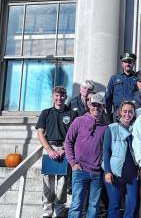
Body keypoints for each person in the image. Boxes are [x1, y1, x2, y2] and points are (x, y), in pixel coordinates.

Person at [36, 86, 77, 218]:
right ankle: (47, 213)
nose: (59, 98)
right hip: (49, 149)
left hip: (65, 150)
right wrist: (49, 149)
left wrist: (65, 149)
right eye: (57, 96)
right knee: (47, 184)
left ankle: (59, 214)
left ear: (65, 97)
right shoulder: (45, 113)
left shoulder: (72, 113)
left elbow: (74, 135)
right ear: (53, 97)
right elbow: (40, 133)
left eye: (62, 95)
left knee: (62, 185)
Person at [64, 93, 107, 218]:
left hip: (97, 172)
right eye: (94, 105)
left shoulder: (105, 127)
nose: (96, 108)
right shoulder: (79, 121)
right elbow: (68, 142)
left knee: (94, 206)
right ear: (89, 105)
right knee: (76, 204)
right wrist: (73, 163)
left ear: (103, 107)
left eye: (99, 106)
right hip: (80, 169)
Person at [103, 100, 138, 218]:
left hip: (132, 173)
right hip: (116, 172)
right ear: (120, 112)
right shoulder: (112, 129)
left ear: (134, 113)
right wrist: (107, 171)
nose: (127, 114)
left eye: (130, 112)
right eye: (125, 111)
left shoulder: (136, 129)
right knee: (114, 205)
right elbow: (106, 151)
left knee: (132, 204)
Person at [105, 53, 137, 120]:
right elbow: (108, 97)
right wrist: (108, 114)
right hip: (117, 114)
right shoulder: (114, 78)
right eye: (125, 62)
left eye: (130, 62)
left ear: (133, 64)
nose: (127, 64)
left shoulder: (138, 78)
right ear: (122, 64)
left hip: (133, 114)